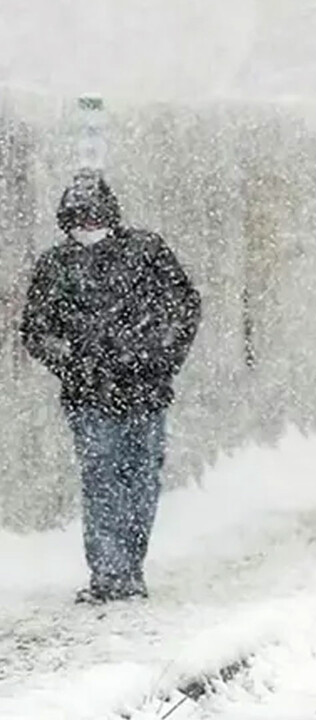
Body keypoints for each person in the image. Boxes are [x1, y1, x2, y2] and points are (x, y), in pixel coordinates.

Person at [20, 171, 202, 603]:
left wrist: (157, 355)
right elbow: (36, 330)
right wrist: (74, 362)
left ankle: (129, 568)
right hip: (89, 395)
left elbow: (183, 308)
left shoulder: (147, 251)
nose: (86, 225)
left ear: (110, 214)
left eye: (93, 214)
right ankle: (108, 573)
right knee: (102, 479)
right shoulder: (56, 266)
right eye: (77, 217)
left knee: (140, 481)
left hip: (146, 390)